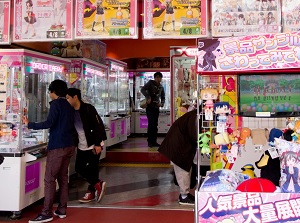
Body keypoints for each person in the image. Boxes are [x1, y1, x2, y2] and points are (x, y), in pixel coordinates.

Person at [23, 80, 76, 223]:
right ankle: (62, 209)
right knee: (63, 179)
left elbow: (49, 123)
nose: (49, 94)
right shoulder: (68, 105)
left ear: (54, 92)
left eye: (50, 92)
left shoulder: (56, 104)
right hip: (69, 145)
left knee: (50, 180)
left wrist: (30, 124)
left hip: (58, 146)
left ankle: (46, 212)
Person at [66, 88, 107, 203]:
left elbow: (98, 125)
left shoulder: (88, 109)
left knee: (92, 169)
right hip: (81, 145)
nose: (67, 100)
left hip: (93, 144)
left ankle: (91, 192)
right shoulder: (70, 111)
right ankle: (98, 184)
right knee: (79, 167)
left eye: (68, 97)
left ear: (75, 97)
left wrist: (98, 144)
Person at [158, 109, 200, 205]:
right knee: (182, 171)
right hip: (178, 146)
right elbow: (194, 134)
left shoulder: (193, 114)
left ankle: (185, 194)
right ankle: (184, 196)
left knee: (185, 170)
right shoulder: (195, 116)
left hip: (180, 144)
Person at [141, 72, 165, 148]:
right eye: (157, 77)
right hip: (150, 107)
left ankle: (154, 141)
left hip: (156, 107)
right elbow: (143, 89)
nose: (158, 79)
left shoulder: (161, 87)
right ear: (154, 78)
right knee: (151, 124)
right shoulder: (150, 83)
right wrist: (148, 97)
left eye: (160, 77)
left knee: (155, 124)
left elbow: (163, 97)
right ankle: (150, 141)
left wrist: (161, 104)